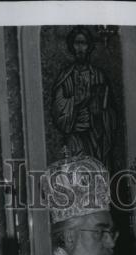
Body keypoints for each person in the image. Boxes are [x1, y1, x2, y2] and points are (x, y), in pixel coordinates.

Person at [50, 26, 115, 166]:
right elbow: (58, 109)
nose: (80, 48)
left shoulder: (99, 76)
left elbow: (110, 111)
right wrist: (76, 102)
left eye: (83, 43)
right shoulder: (66, 77)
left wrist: (100, 113)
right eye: (77, 43)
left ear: (89, 46)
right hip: (75, 139)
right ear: (71, 46)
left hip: (96, 137)